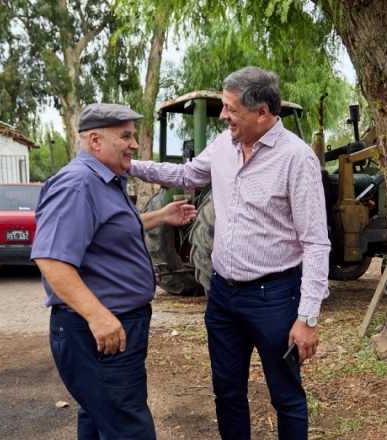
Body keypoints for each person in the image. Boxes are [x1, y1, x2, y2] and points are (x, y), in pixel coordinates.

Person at [130, 66, 330, 440]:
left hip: (273, 298)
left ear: (263, 112)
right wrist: (129, 165)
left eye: (230, 108)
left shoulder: (296, 159)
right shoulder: (224, 145)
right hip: (222, 296)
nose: (223, 116)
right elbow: (187, 175)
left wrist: (307, 318)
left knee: (286, 397)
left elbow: (316, 242)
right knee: (227, 392)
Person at [31, 103, 197, 440]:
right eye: (125, 137)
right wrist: (98, 317)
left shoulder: (105, 180)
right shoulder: (77, 184)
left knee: (99, 417)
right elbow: (51, 260)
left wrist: (160, 216)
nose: (134, 145)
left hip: (116, 326)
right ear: (95, 141)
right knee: (128, 426)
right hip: (100, 331)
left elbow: (107, 230)